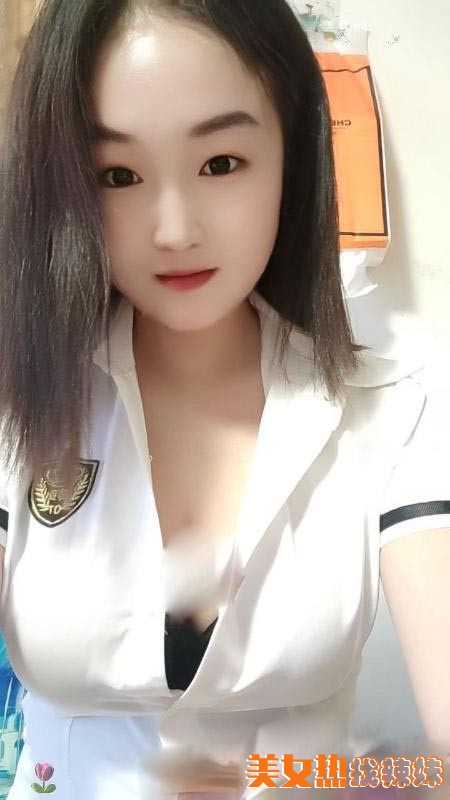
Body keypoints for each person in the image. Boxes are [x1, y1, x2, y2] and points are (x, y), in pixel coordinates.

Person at [0, 1, 449, 798]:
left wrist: (283, 775)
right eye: (118, 175)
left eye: (221, 163)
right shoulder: (16, 408)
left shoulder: (394, 412)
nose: (174, 229)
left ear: (292, 155)